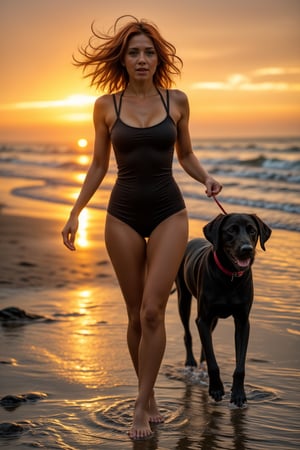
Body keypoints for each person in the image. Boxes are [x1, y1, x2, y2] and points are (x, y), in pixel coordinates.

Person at [61, 15, 222, 440]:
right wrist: (76, 211)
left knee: (154, 309)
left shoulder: (178, 100)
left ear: (158, 58)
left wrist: (205, 177)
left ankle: (138, 406)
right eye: (134, 52)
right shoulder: (106, 107)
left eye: (149, 52)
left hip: (170, 211)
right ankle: (148, 397)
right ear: (123, 59)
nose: (142, 59)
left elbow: (185, 155)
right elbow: (98, 165)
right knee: (135, 314)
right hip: (122, 215)